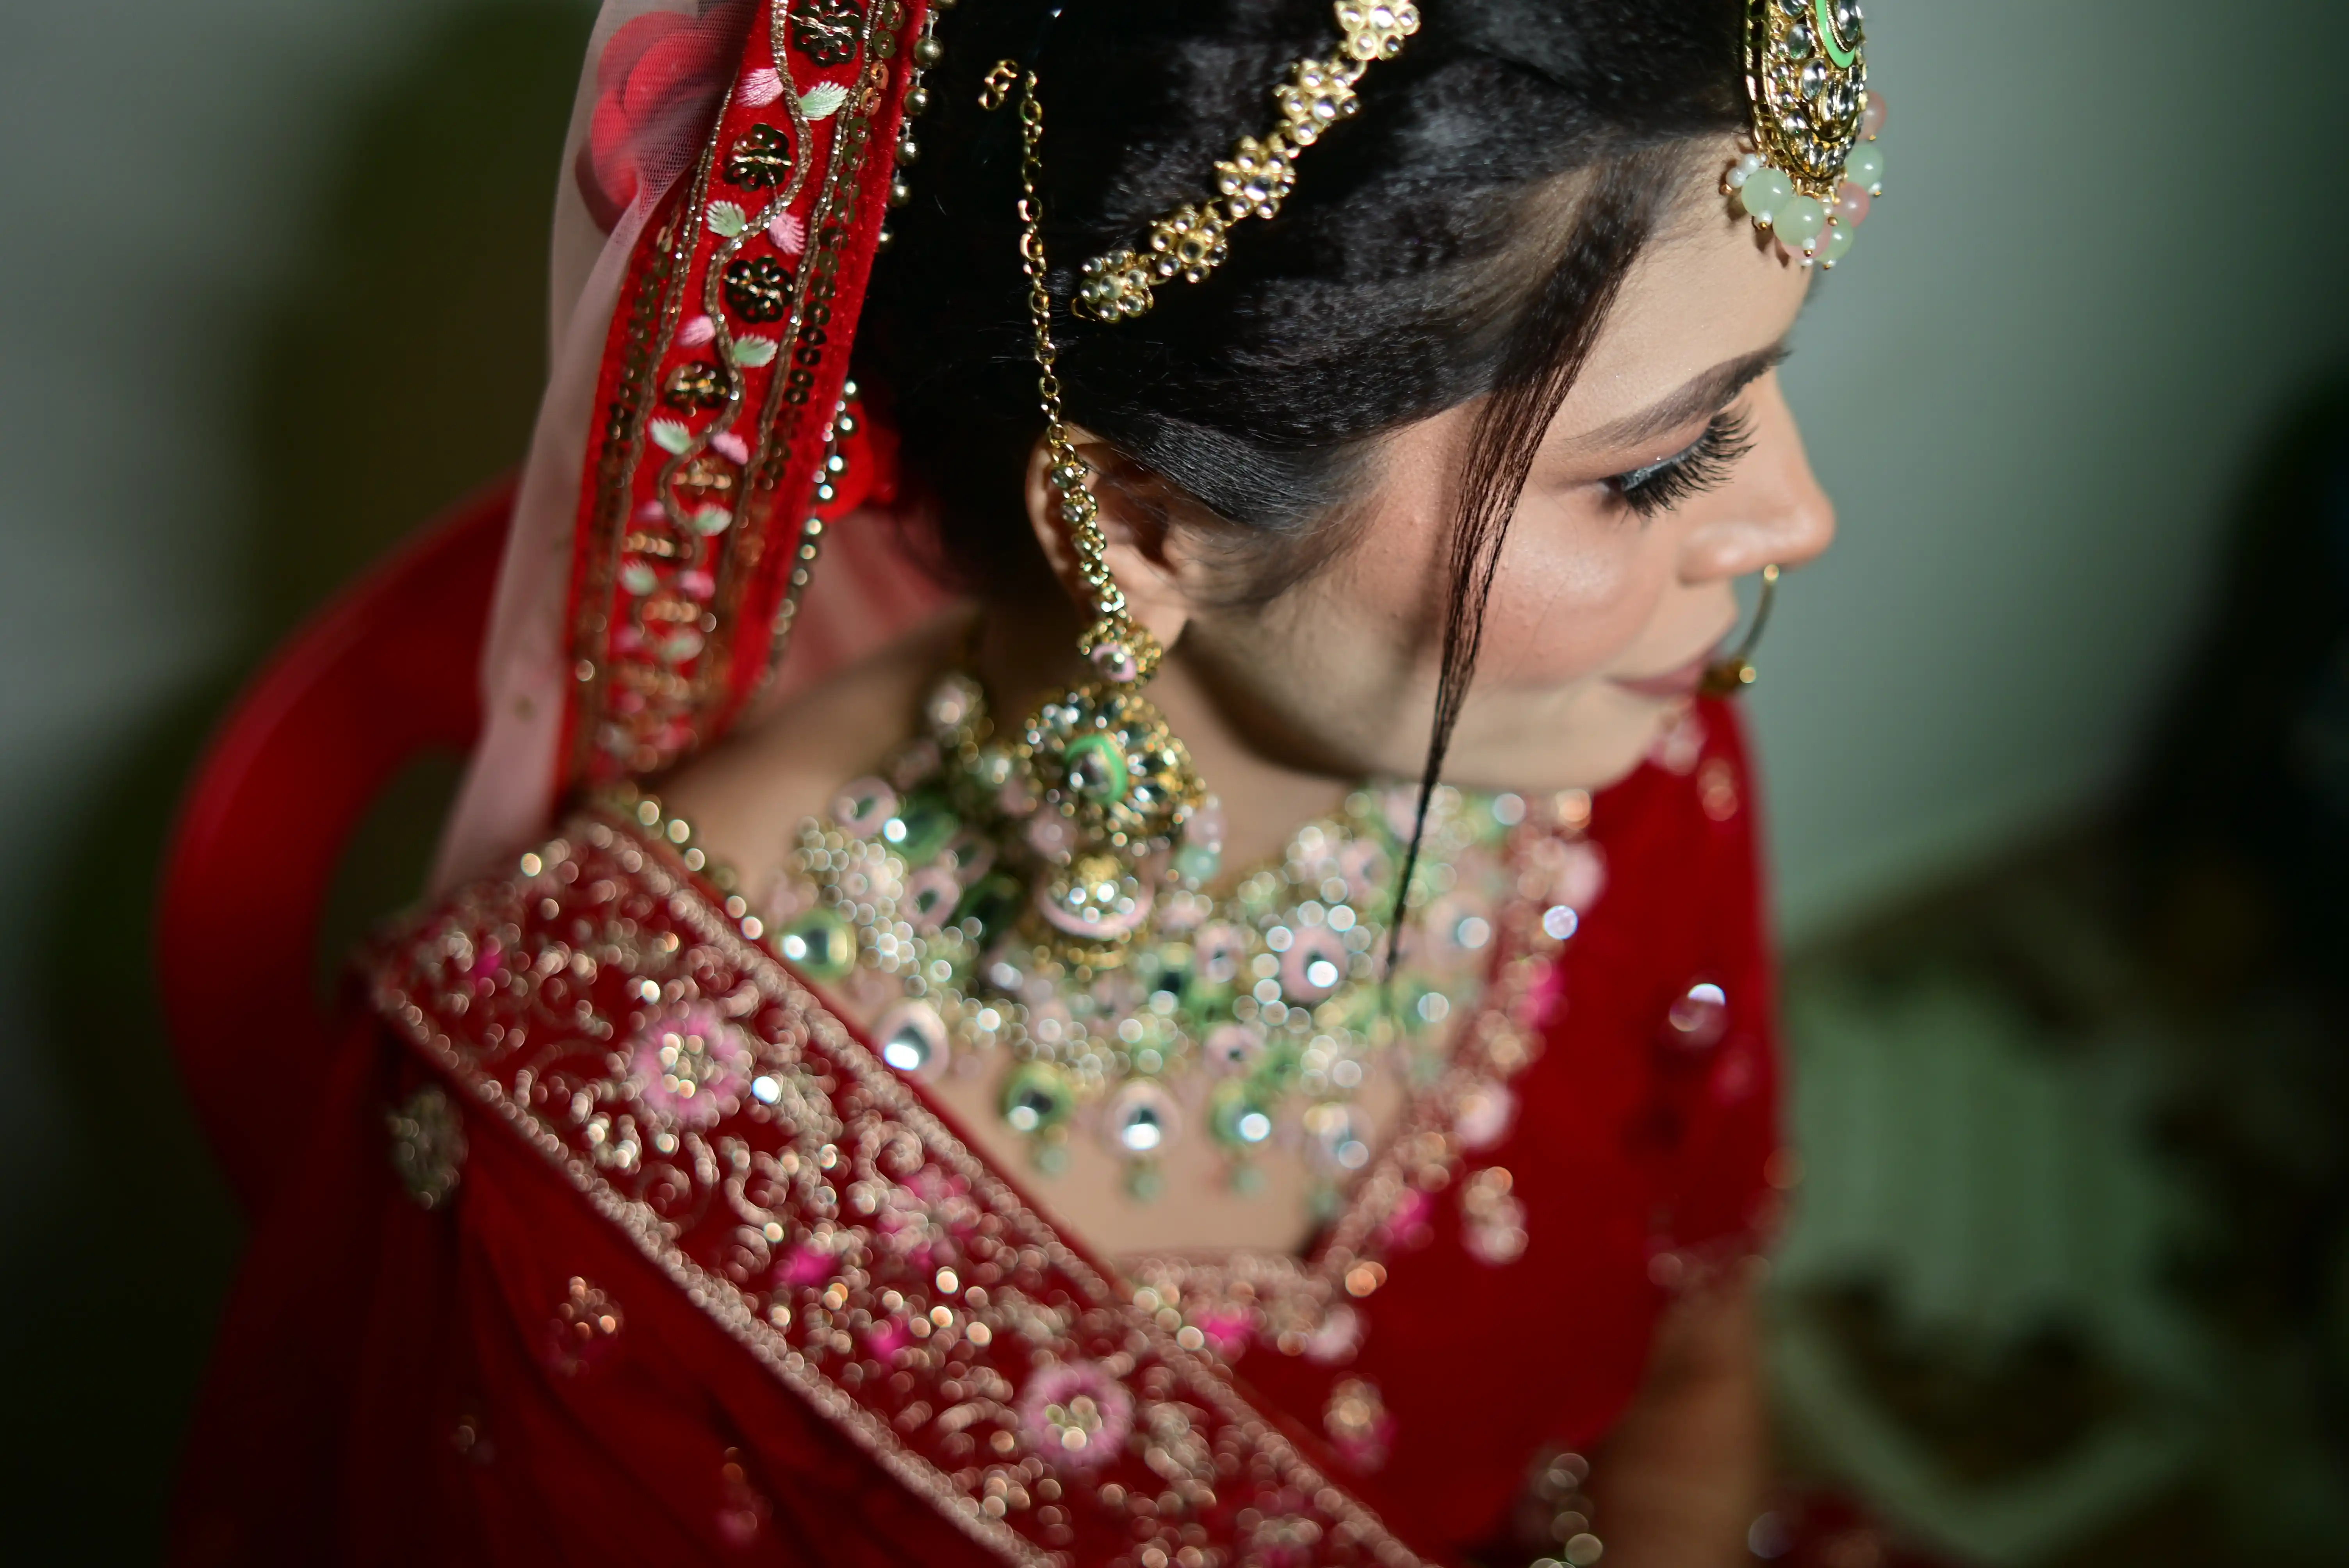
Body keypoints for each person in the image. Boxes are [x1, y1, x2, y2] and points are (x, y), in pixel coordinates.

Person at [174, 2, 1879, 1563]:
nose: (1793, 521)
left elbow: (1695, 1352)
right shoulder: (592, 1147)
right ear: (1141, 527)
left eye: (1766, 386)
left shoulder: (1609, 722)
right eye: (1655, 466)